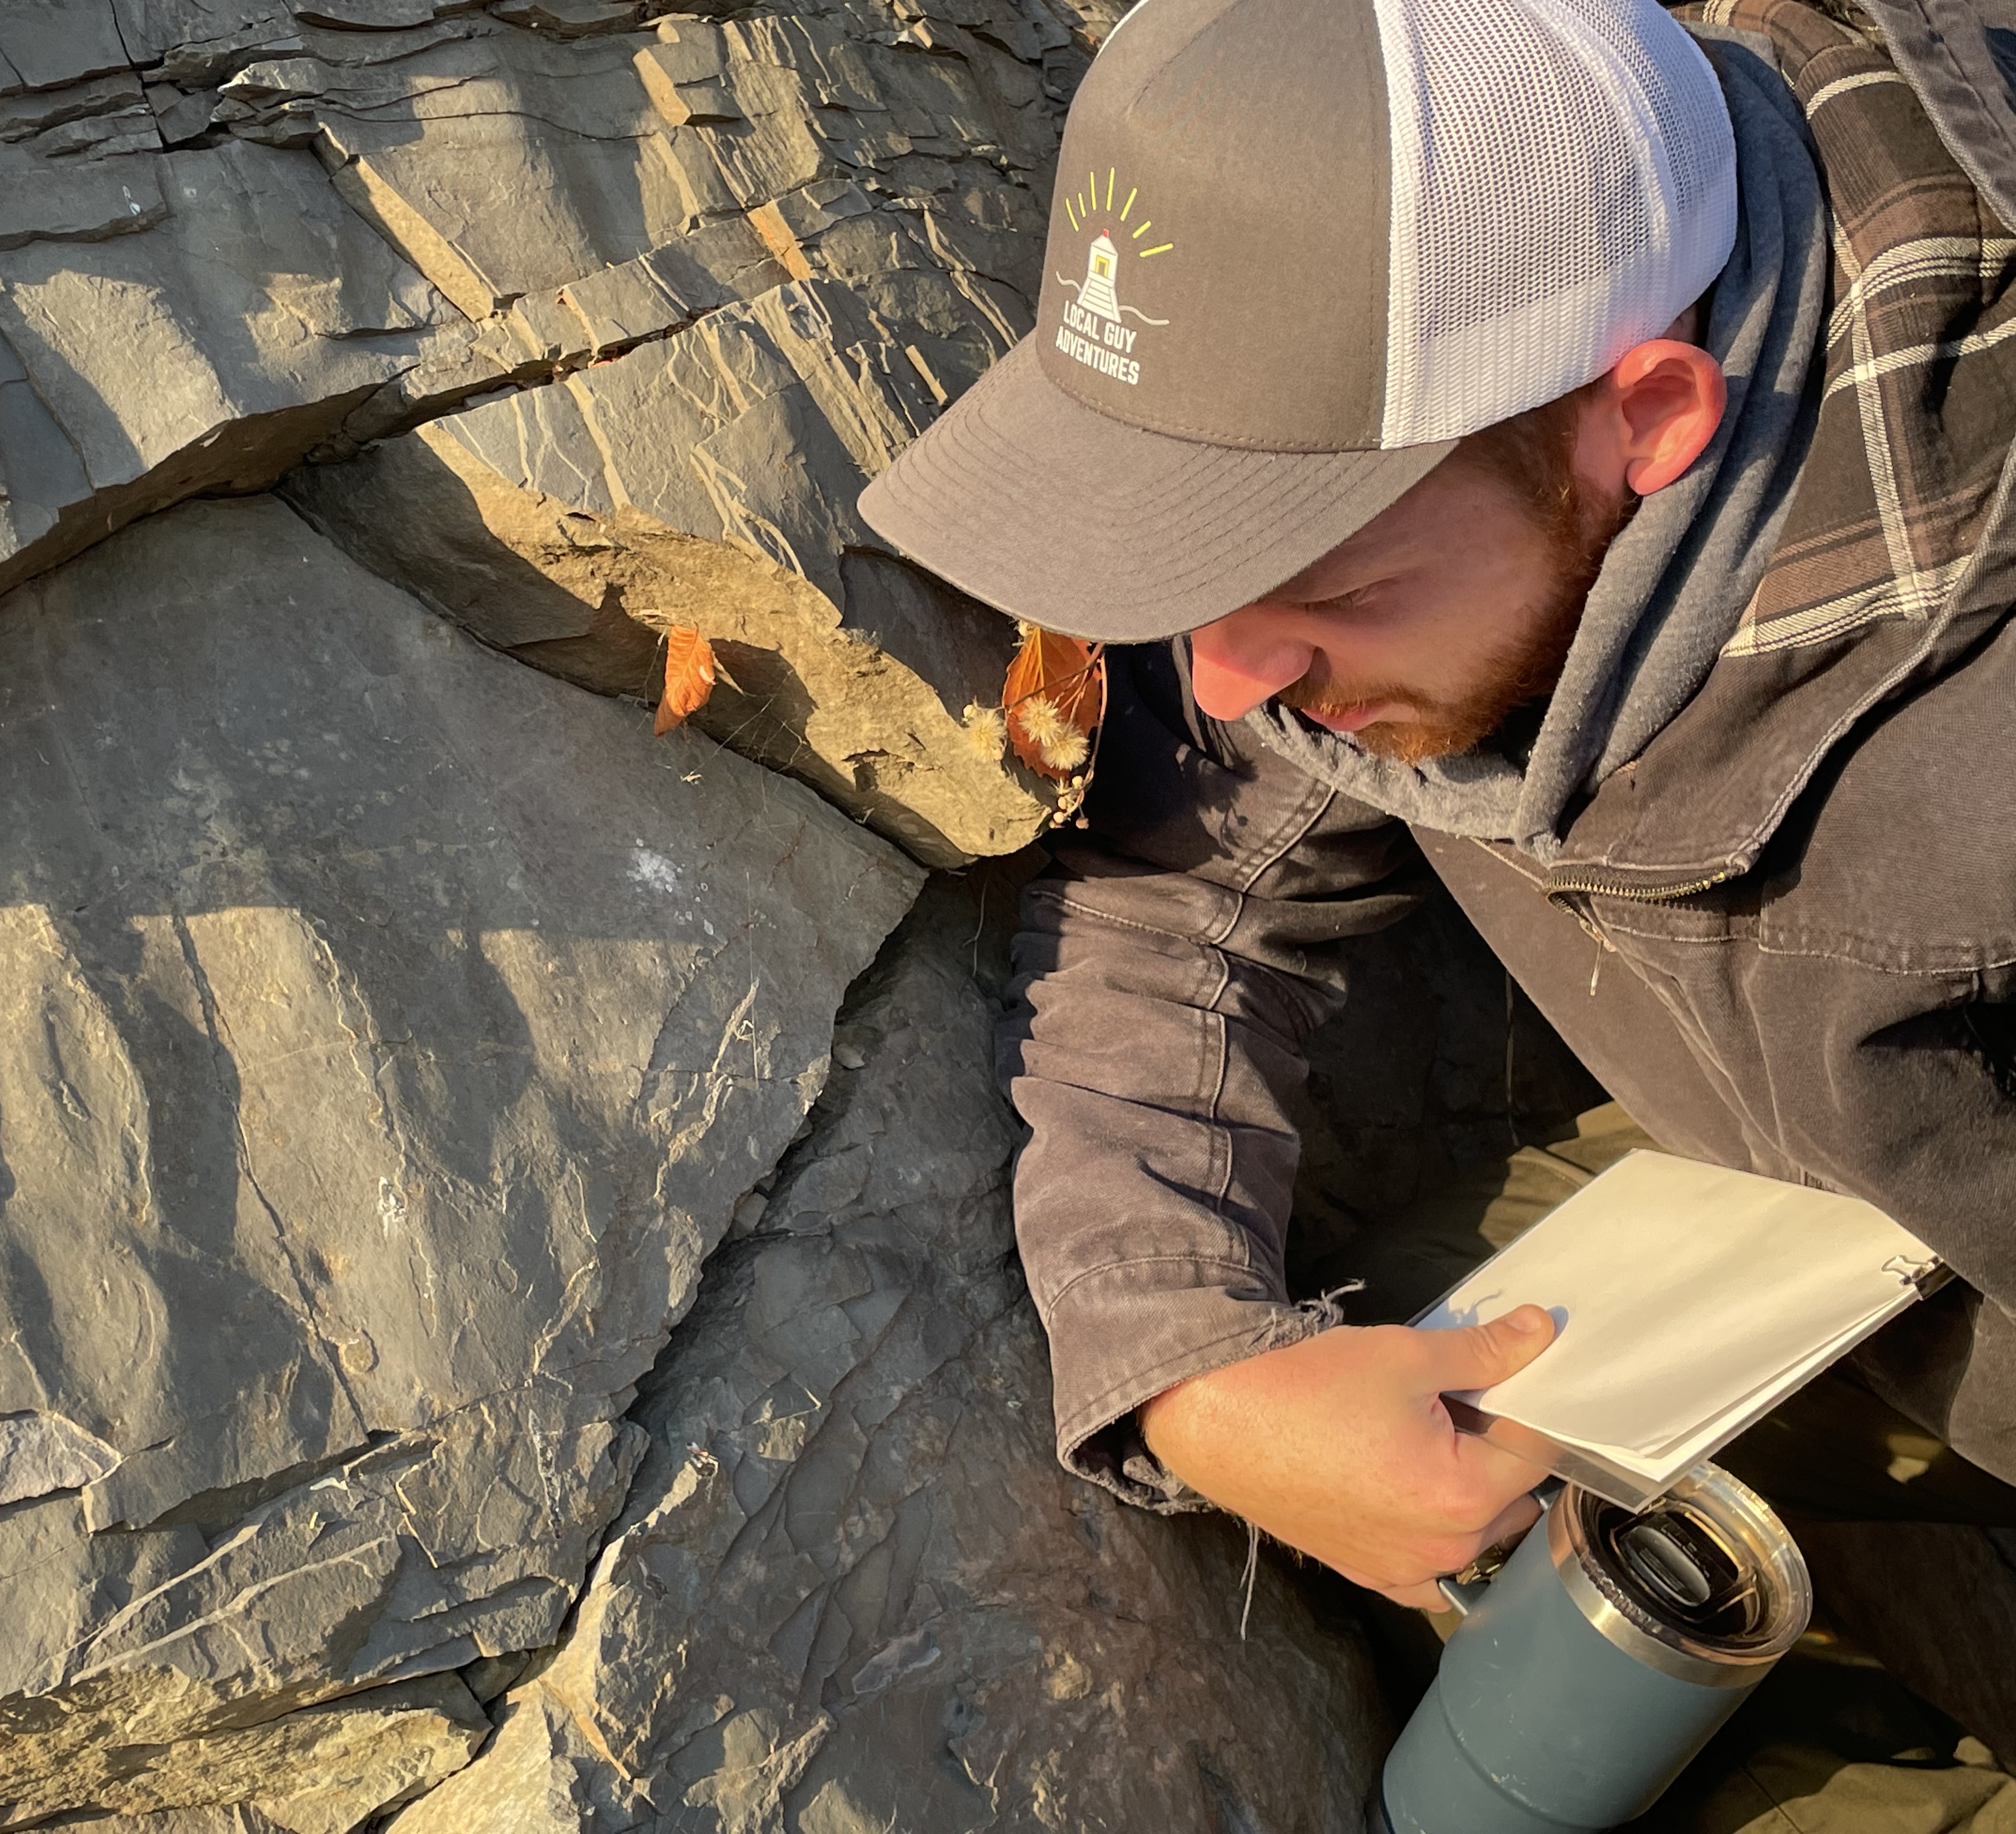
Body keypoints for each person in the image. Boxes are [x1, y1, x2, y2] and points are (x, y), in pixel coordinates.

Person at [855, 0, 2016, 1621]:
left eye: (1322, 583)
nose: (1234, 679)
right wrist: (1190, 1360)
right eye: (1199, 571)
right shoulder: (1462, 476)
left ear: (1652, 416)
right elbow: (1191, 883)